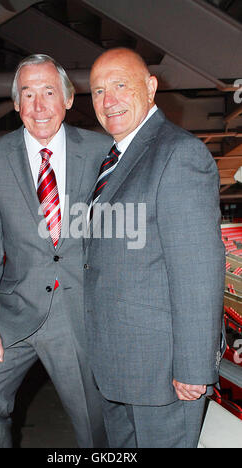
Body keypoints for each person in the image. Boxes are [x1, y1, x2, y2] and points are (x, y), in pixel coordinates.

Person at [0, 54, 111, 448]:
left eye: (48, 92)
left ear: (67, 98)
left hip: (78, 310)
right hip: (14, 314)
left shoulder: (103, 151)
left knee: (94, 428)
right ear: (15, 104)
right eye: (27, 94)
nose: (38, 105)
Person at [84, 47, 226, 448]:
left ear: (150, 88)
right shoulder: (111, 160)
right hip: (116, 364)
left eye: (119, 85)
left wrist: (194, 366)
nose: (107, 100)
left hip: (164, 374)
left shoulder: (178, 154)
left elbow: (198, 270)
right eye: (96, 91)